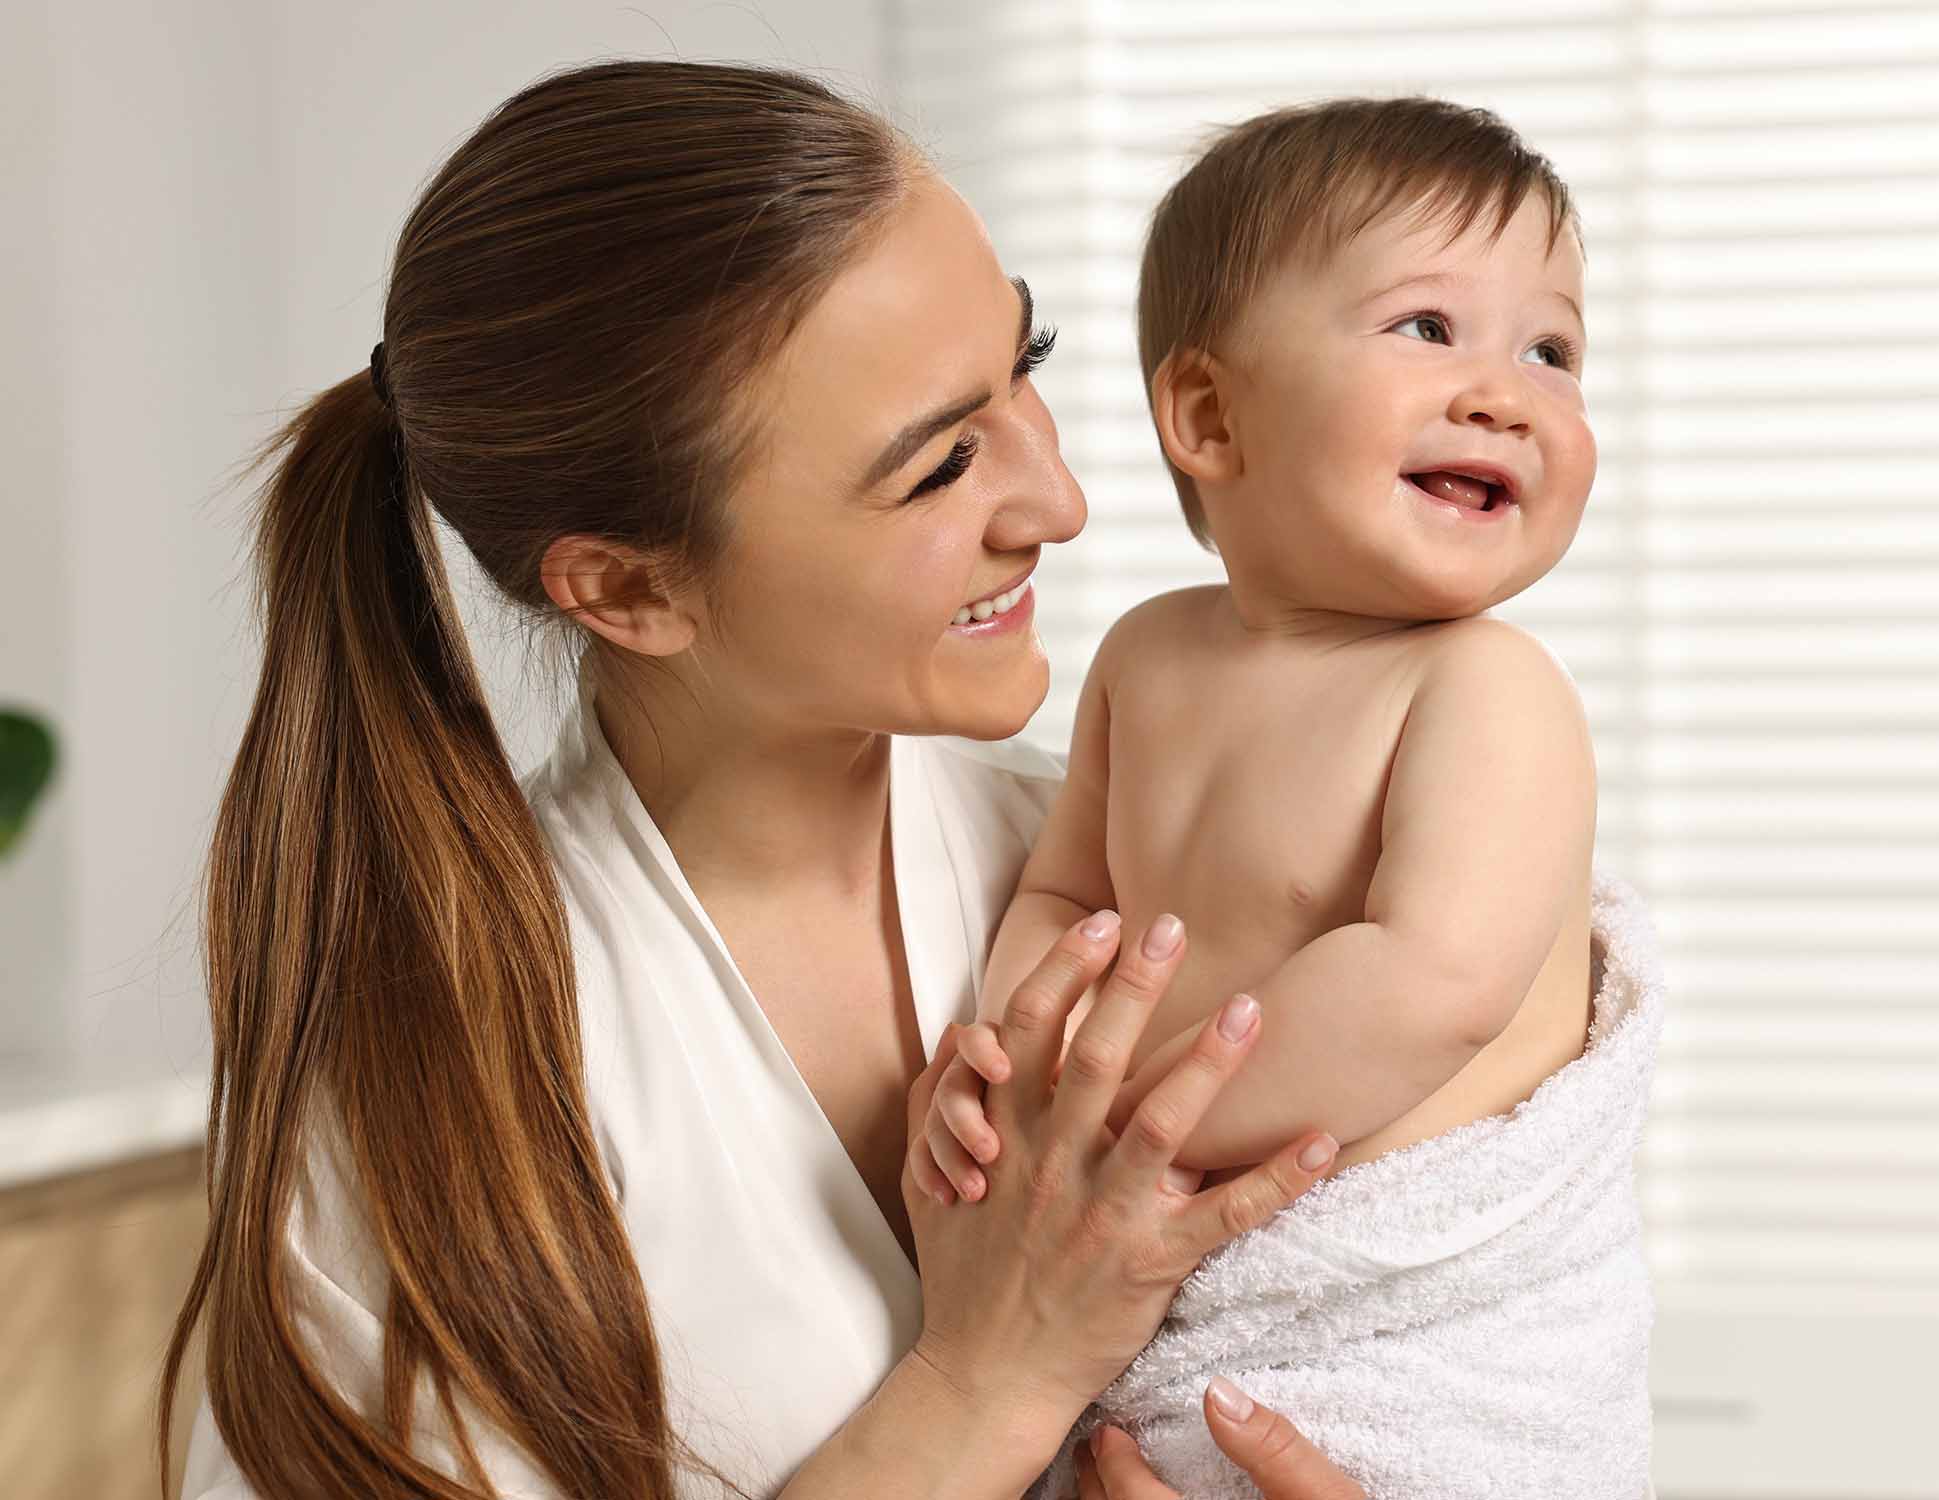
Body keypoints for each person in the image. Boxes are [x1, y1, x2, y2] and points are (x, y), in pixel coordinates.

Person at [160, 60, 1372, 1500]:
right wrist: (984, 1387)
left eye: (1025, 367)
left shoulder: (1144, 869)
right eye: (937, 469)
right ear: (627, 589)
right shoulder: (426, 1085)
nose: (1059, 501)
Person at [922, 99, 1663, 1498]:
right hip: (1202, 1274)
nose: (1507, 389)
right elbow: (1073, 896)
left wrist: (1129, 1126)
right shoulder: (1148, 655)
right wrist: (1020, 1078)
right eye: (1429, 328)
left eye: (1553, 349)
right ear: (1208, 414)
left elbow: (1431, 981)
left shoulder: (1485, 690)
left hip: (1415, 1336)